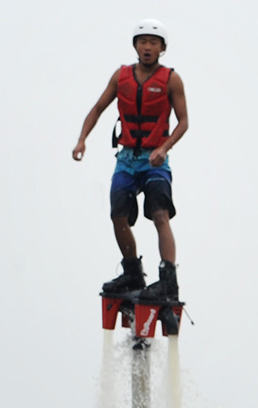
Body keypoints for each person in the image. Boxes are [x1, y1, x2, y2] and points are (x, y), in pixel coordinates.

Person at [72, 18, 189, 301]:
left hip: (154, 159)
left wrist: (165, 147)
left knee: (160, 214)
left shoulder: (171, 79)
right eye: (143, 42)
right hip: (126, 158)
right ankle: (132, 272)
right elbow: (98, 108)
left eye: (153, 43)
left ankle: (168, 279)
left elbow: (184, 121)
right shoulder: (120, 76)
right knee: (118, 214)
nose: (147, 47)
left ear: (162, 48)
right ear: (135, 46)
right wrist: (82, 139)